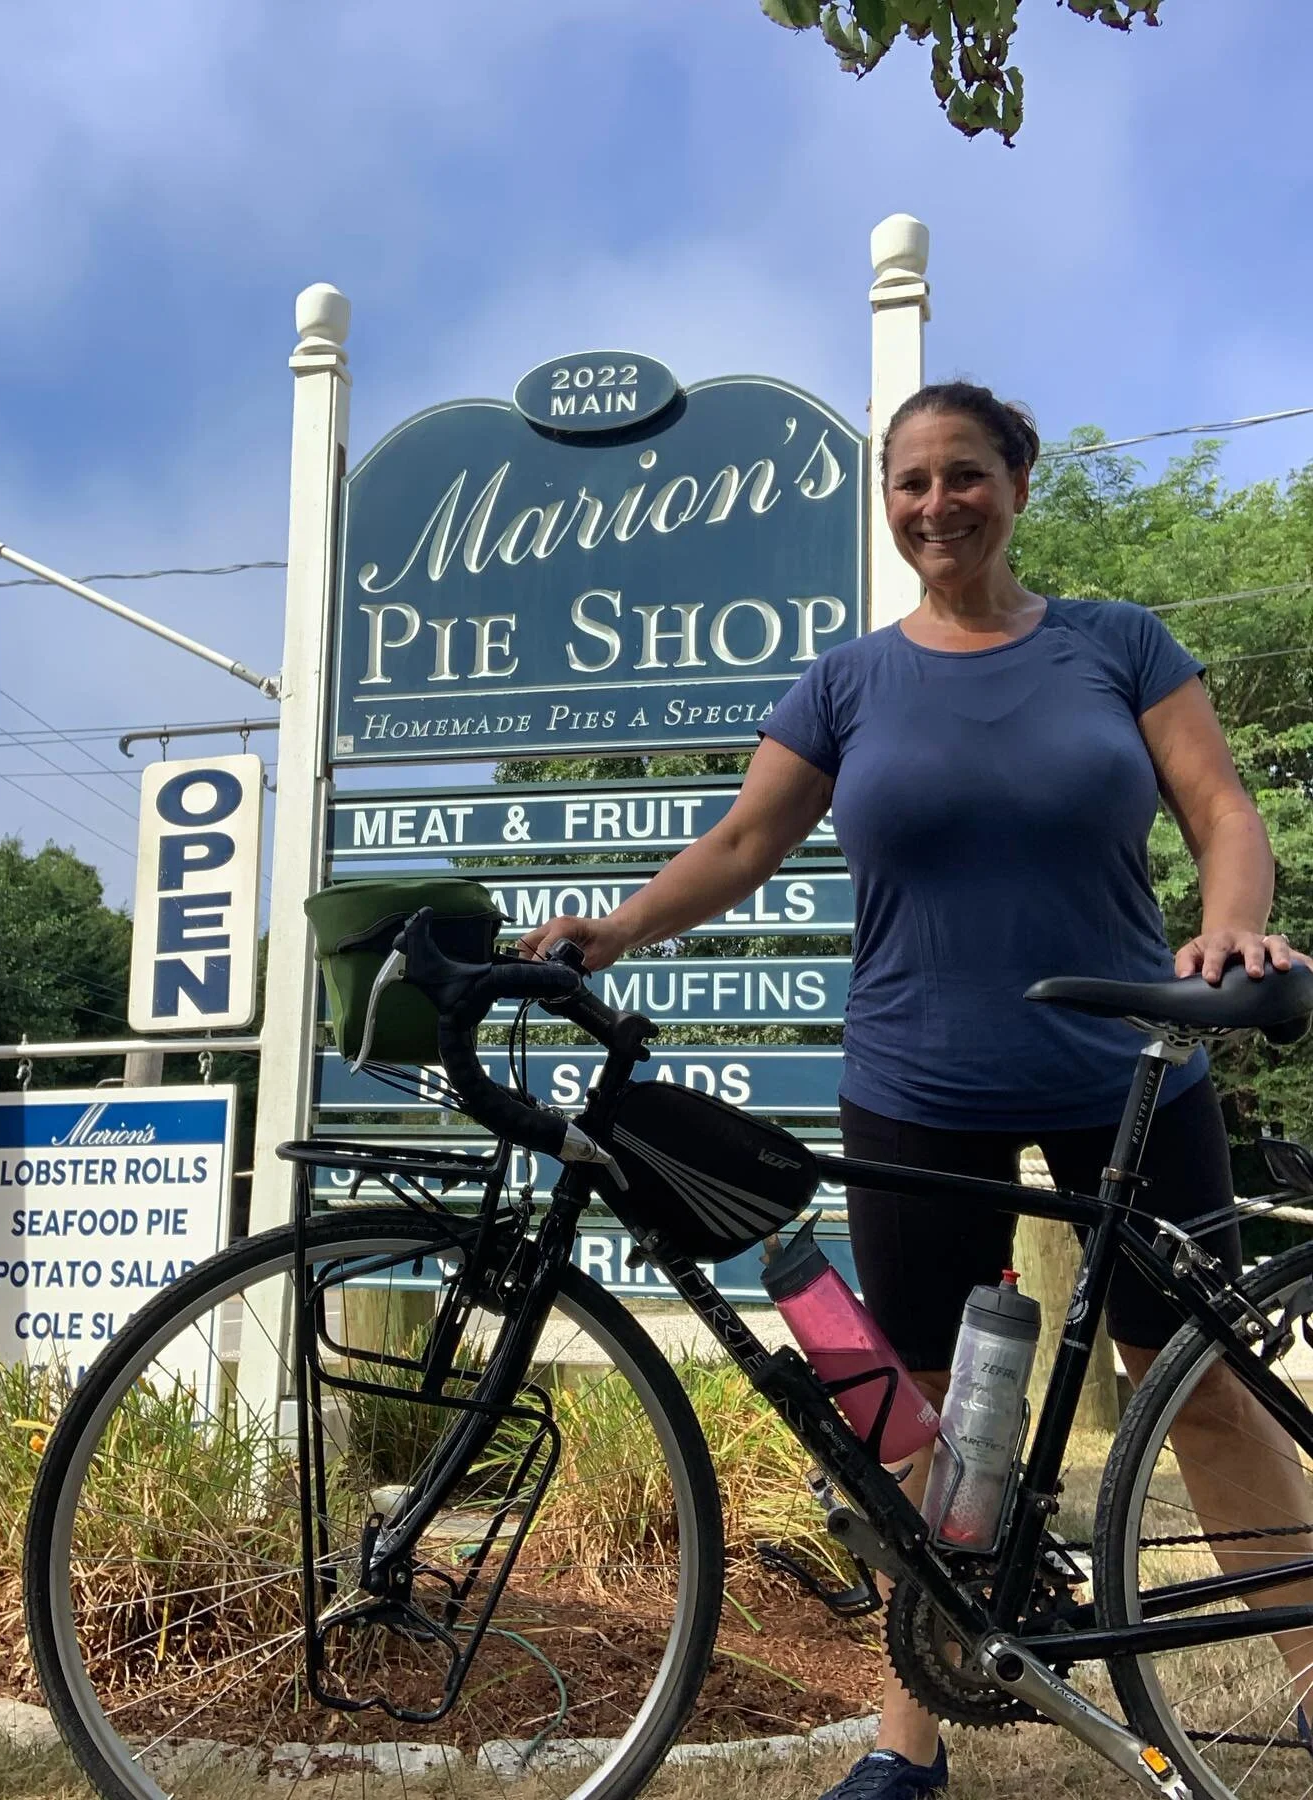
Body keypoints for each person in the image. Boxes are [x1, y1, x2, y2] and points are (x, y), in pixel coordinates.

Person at [520, 381, 1313, 1798]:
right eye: (910, 484)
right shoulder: (847, 681)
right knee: (916, 1413)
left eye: (964, 476)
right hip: (917, 1080)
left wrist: (1232, 922)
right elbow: (746, 838)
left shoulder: (1116, 646)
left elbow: (1221, 811)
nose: (936, 505)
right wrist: (617, 928)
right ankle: (911, 1738)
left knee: (1196, 1391)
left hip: (1127, 1062)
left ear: (1018, 481)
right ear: (887, 504)